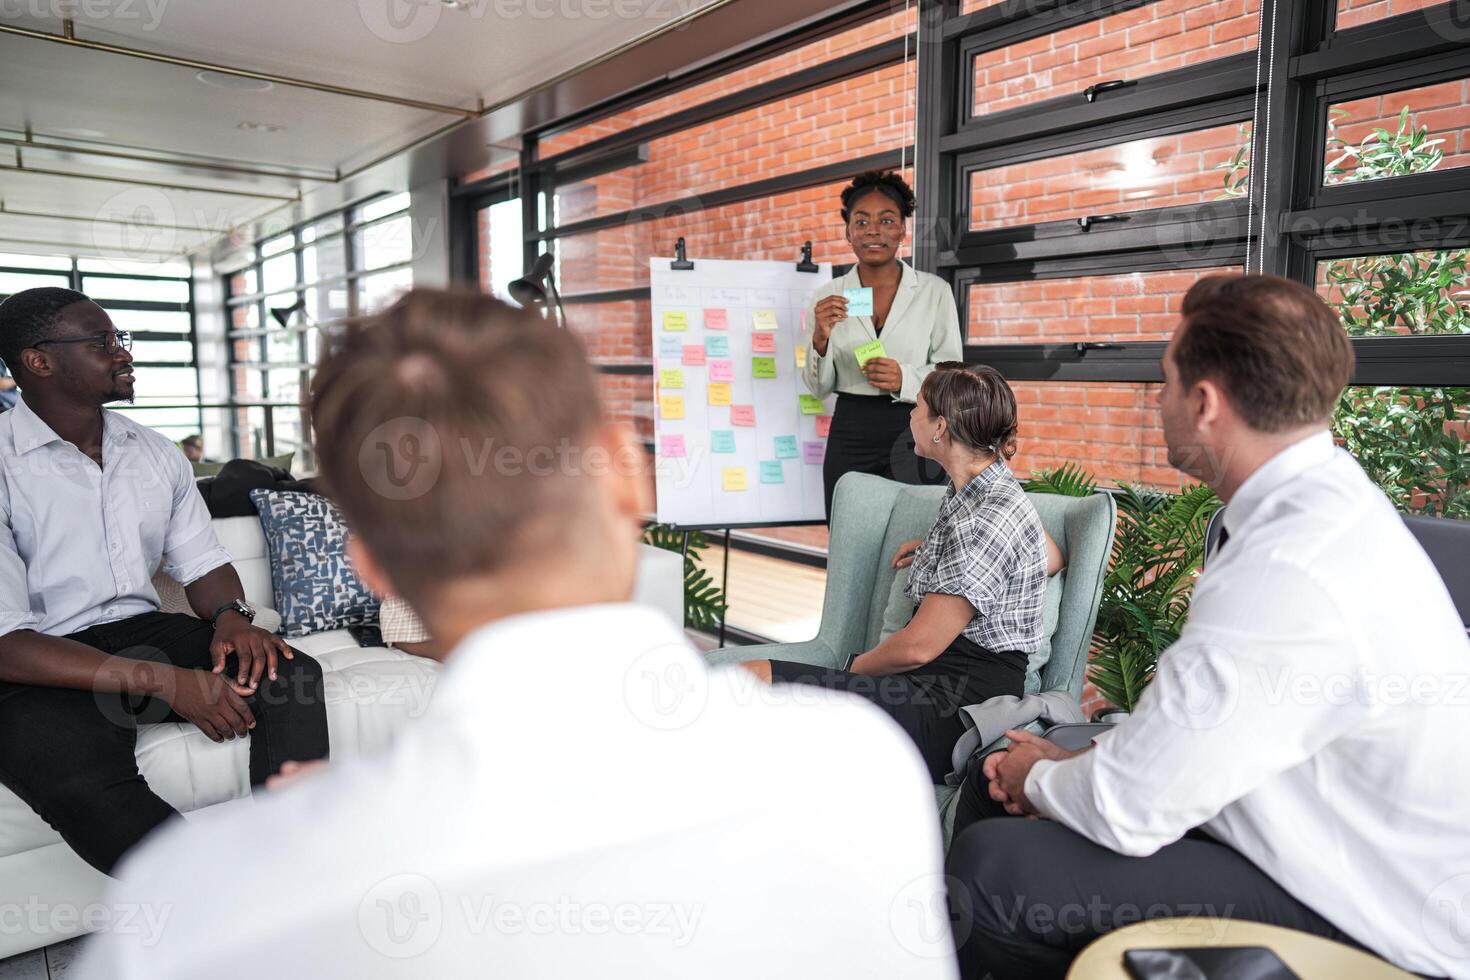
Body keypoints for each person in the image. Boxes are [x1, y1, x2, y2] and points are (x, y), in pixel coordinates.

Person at [79, 289, 958, 979]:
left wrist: (300, 846)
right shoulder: (861, 766)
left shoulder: (194, 911)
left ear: (370, 565)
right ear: (624, 479)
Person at [945, 274, 1470, 980]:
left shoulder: (1292, 565)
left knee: (994, 870)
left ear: (1205, 403)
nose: (1156, 400)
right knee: (1001, 780)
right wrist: (1062, 767)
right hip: (1302, 829)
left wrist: (1039, 775)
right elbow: (1208, 734)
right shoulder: (1319, 503)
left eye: (1164, 381)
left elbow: (1131, 809)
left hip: (1371, 910)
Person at [0, 287, 329, 875]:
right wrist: (167, 682)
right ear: (39, 360)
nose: (122, 353)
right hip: (36, 664)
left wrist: (232, 616)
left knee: (287, 673)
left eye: (119, 340)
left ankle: (293, 866)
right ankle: (212, 904)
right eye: (102, 342)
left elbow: (201, 563)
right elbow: (7, 643)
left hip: (138, 628)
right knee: (76, 776)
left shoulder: (153, 453)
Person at [743, 363, 1061, 783]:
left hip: (952, 707)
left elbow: (917, 648)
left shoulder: (983, 519)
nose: (909, 414)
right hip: (937, 681)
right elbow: (1050, 555)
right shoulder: (988, 486)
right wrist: (943, 553)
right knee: (757, 690)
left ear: (940, 428)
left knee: (756, 679)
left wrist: (850, 672)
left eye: (918, 407)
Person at [803, 170, 963, 518]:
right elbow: (818, 388)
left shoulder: (934, 292)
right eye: (861, 222)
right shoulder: (827, 296)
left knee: (913, 533)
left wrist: (904, 378)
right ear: (848, 232)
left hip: (917, 425)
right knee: (849, 535)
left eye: (886, 220)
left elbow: (952, 374)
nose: (873, 230)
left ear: (902, 230)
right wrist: (820, 339)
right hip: (851, 428)